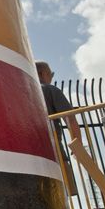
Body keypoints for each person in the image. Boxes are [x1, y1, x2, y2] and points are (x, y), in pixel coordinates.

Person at [36, 61, 79, 196]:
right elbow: (70, 118)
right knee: (63, 191)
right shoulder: (50, 90)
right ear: (43, 74)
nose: (51, 77)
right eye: (51, 74)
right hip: (55, 149)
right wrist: (77, 143)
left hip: (33, 151)